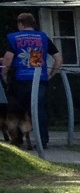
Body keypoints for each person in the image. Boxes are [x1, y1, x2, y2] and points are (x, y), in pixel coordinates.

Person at [3, 13, 61, 149]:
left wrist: (5, 74)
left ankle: (18, 140)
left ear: (20, 24)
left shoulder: (14, 38)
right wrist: (52, 74)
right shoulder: (43, 37)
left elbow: (8, 59)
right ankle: (43, 140)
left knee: (17, 111)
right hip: (39, 80)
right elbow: (58, 58)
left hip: (19, 80)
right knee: (39, 109)